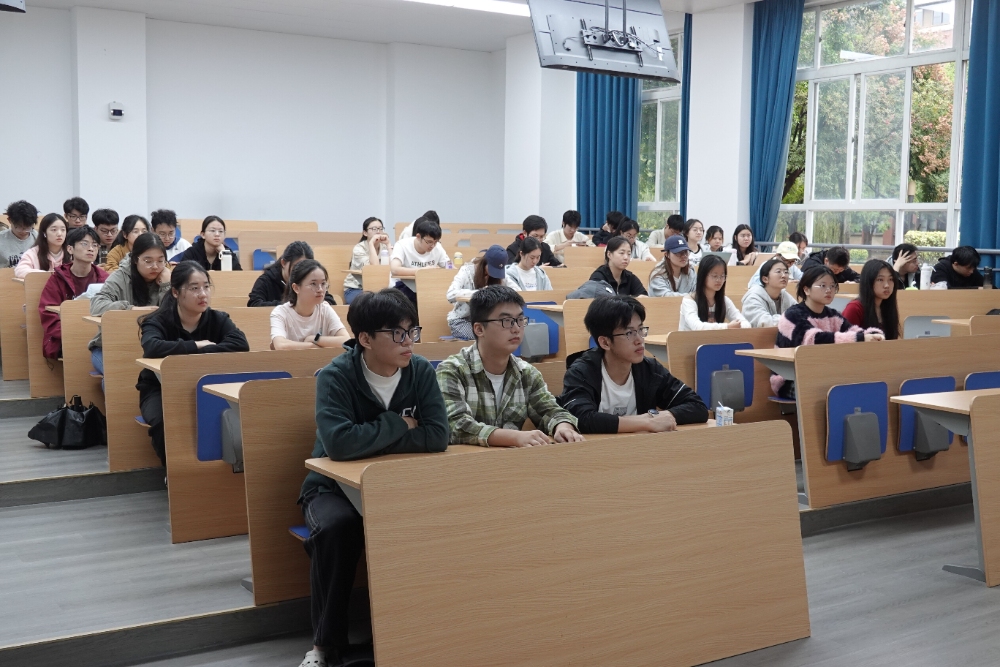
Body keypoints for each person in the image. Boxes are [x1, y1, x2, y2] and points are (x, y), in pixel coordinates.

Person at [298, 288, 449, 667]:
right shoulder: (336, 376)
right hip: (330, 489)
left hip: (397, 486)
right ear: (365, 339)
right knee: (337, 529)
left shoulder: (420, 371)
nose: (408, 341)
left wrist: (369, 439)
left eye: (412, 331)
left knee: (436, 524)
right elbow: (339, 445)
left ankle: (412, 636)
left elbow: (437, 436)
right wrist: (399, 423)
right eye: (397, 333)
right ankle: (324, 647)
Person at [436, 285, 584, 447]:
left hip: (513, 460)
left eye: (520, 320)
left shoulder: (526, 373)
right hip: (469, 461)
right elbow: (457, 425)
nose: (516, 329)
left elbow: (550, 411)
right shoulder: (452, 370)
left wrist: (562, 426)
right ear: (479, 329)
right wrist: (514, 437)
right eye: (506, 321)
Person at [137, 262, 250, 467]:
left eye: (206, 287)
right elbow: (152, 346)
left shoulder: (217, 318)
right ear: (175, 292)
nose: (203, 294)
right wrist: (196, 345)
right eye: (194, 288)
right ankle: (171, 473)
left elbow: (240, 344)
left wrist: (202, 351)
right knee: (165, 421)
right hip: (159, 389)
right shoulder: (158, 320)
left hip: (208, 387)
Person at [558, 296, 708, 433]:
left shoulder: (650, 369)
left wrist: (661, 417)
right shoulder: (581, 372)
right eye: (629, 333)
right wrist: (647, 422)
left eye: (641, 330)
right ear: (605, 342)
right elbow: (580, 418)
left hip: (640, 448)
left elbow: (697, 406)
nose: (640, 340)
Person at [773, 266, 884, 398]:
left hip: (824, 374)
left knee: (863, 384)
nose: (829, 290)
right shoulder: (792, 315)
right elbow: (813, 340)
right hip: (790, 378)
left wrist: (873, 335)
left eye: (832, 286)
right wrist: (859, 338)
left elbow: (854, 331)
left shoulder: (832, 315)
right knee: (838, 393)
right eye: (823, 286)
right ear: (806, 289)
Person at [89, 233, 172, 376]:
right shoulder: (120, 276)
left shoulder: (167, 277)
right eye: (148, 261)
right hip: (108, 346)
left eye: (160, 261)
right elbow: (96, 305)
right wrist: (130, 309)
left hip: (150, 346)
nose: (155, 266)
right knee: (117, 376)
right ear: (135, 259)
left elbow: (173, 314)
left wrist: (166, 286)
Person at [38, 226, 109, 359]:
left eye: (95, 245)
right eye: (84, 244)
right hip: (67, 337)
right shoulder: (58, 279)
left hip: (99, 337)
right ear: (70, 249)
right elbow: (48, 314)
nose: (91, 248)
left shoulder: (105, 279)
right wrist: (72, 333)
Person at [270, 260, 349, 350]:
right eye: (313, 284)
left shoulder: (325, 309)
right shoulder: (280, 313)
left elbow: (346, 340)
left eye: (323, 283)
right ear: (296, 288)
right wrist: (312, 346)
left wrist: (314, 339)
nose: (320, 289)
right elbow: (281, 345)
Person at [446, 245, 511, 340]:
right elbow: (450, 294)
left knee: (506, 333)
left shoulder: (500, 274)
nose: (494, 274)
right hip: (462, 321)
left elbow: (516, 291)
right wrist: (480, 293)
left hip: (486, 322)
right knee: (488, 336)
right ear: (485, 263)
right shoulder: (467, 271)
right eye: (493, 269)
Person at [249, 241, 335, 308]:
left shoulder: (311, 281)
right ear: (283, 263)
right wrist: (293, 305)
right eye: (296, 266)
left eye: (305, 268)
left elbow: (329, 300)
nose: (301, 271)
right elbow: (254, 304)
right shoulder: (266, 280)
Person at [679, 255, 750, 331]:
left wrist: (738, 325)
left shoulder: (724, 300)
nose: (719, 280)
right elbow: (697, 327)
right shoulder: (689, 301)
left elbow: (746, 324)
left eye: (722, 276)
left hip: (714, 338)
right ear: (703, 276)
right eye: (715, 276)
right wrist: (727, 327)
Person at [389, 216, 449, 303]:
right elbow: (395, 269)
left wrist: (451, 268)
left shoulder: (438, 247)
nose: (432, 246)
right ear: (418, 236)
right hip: (402, 288)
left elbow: (449, 266)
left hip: (426, 289)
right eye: (429, 242)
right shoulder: (402, 245)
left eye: (435, 242)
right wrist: (422, 271)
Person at [842, 259, 901, 340]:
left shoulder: (888, 307)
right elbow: (845, 341)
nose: (887, 285)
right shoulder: (854, 308)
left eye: (891, 279)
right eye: (880, 280)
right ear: (868, 282)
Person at [343, 217, 391, 304]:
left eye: (380, 228)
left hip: (379, 288)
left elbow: (394, 265)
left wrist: (388, 244)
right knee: (371, 304)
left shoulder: (384, 247)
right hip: (356, 288)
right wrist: (371, 244)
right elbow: (374, 268)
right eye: (374, 229)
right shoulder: (359, 248)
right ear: (365, 233)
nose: (378, 232)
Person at [741, 257, 796, 328]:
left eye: (786, 272)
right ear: (765, 279)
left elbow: (800, 312)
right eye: (778, 272)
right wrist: (792, 318)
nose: (784, 276)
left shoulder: (784, 295)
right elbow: (765, 322)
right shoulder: (752, 298)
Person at [173, 216, 242, 271]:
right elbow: (183, 274)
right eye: (212, 230)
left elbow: (238, 275)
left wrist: (224, 254)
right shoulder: (192, 252)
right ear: (203, 234)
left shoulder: (228, 252)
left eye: (221, 231)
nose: (217, 234)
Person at [15, 213, 68, 279]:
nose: (59, 234)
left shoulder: (72, 252)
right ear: (44, 233)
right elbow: (20, 271)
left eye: (63, 230)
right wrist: (47, 275)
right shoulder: (33, 253)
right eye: (54, 230)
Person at [0, 200, 38, 268]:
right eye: (19, 227)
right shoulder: (1, 239)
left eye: (28, 227)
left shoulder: (38, 238)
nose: (24, 231)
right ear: (9, 220)